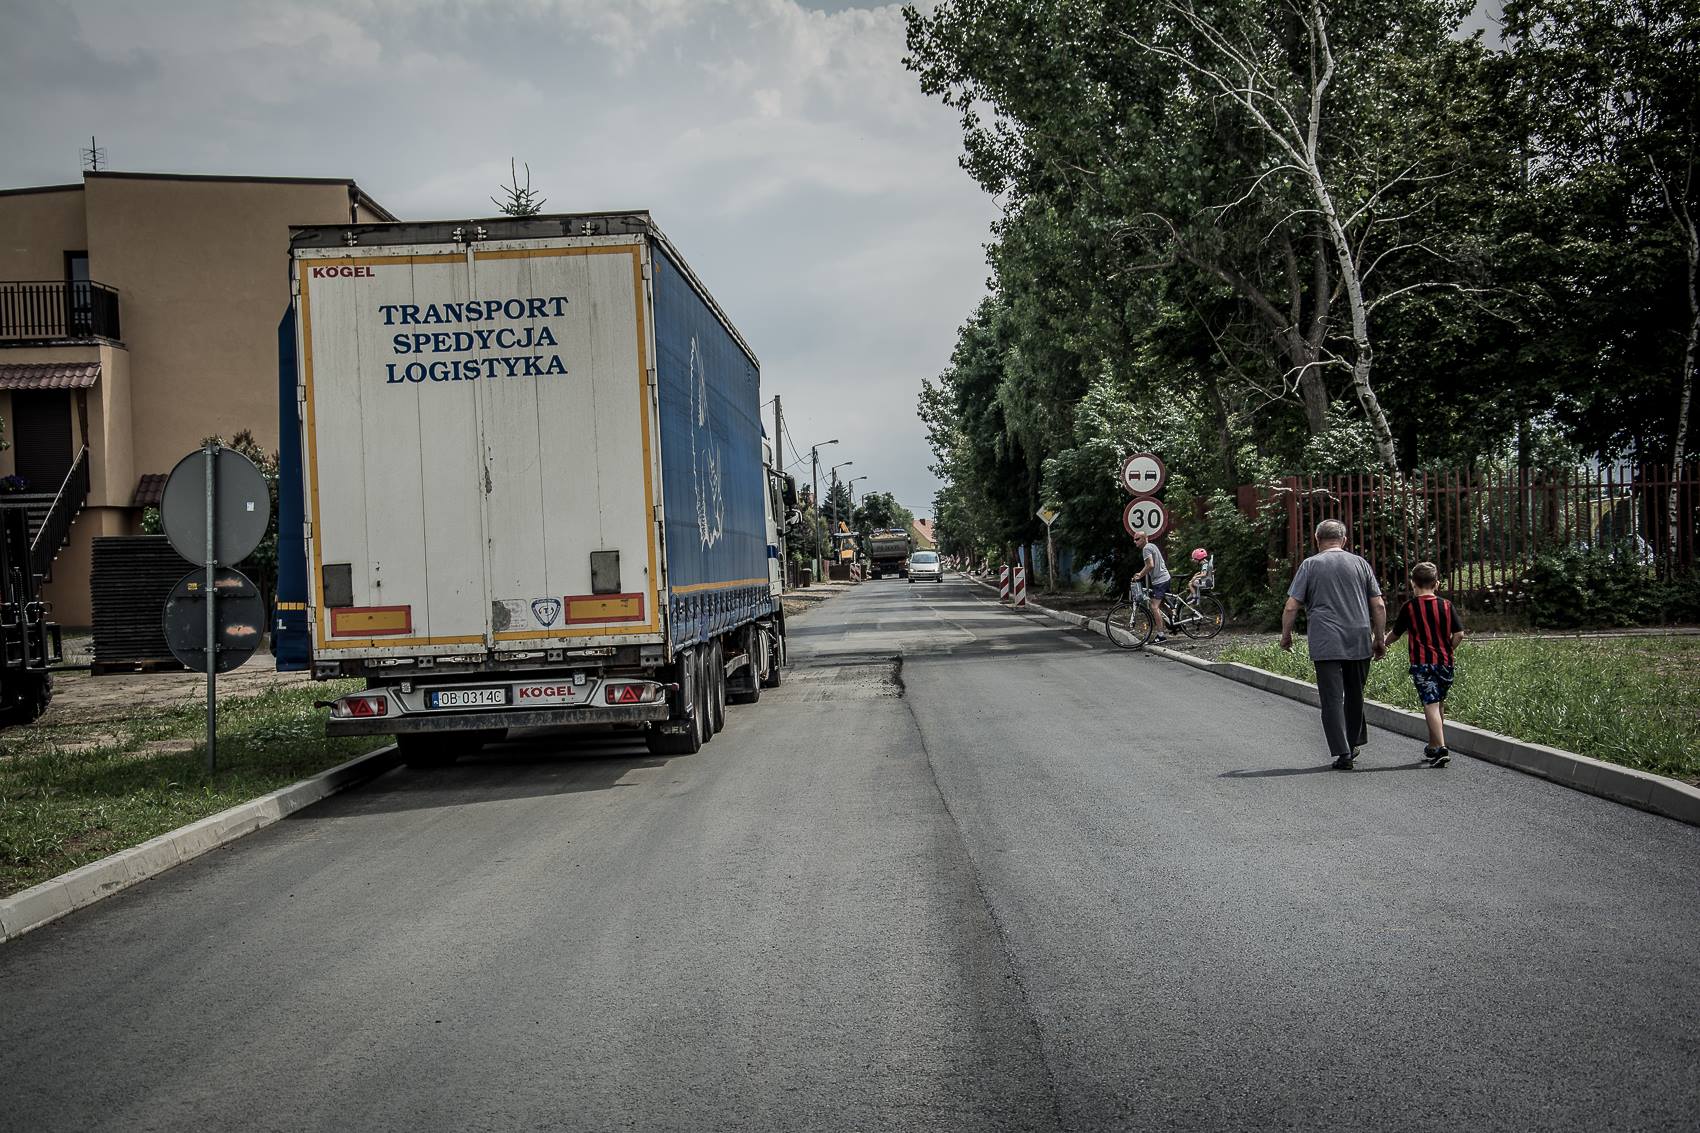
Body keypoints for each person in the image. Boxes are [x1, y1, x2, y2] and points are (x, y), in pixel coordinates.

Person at [1280, 519, 1387, 770]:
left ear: (1317, 540)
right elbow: (1379, 605)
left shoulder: (1310, 565)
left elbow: (1291, 605)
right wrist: (1379, 638)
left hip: (1326, 640)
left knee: (1331, 698)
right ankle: (1353, 741)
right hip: (1358, 637)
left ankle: (1343, 753)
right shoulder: (1360, 564)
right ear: (1344, 540)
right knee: (1355, 694)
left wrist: (1286, 635)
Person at [1384, 561, 1464, 766]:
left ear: (1413, 583)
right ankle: (1433, 745)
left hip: (1423, 663)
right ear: (1437, 583)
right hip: (1446, 662)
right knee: (1439, 703)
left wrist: (1382, 644)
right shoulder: (1446, 605)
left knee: (1430, 703)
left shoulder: (1410, 607)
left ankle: (1442, 748)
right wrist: (1449, 649)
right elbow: (1459, 633)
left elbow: (1395, 634)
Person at [1130, 530, 1171, 643]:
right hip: (1164, 578)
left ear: (1144, 538)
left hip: (1160, 581)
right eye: (1134, 539)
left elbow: (1150, 565)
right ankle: (1173, 619)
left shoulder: (1146, 548)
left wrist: (1139, 575)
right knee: (1161, 603)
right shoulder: (1152, 546)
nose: (1135, 541)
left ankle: (1161, 635)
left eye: (1137, 539)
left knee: (1154, 606)